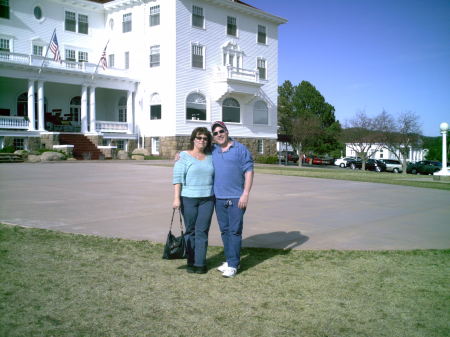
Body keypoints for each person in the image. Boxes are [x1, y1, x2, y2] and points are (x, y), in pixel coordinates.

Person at [211, 121, 254, 278]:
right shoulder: (213, 150)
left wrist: (246, 193)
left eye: (221, 131)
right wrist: (179, 155)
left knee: (235, 231)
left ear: (227, 131)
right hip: (219, 198)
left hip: (237, 198)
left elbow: (249, 172)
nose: (219, 135)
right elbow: (196, 151)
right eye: (215, 133)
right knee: (225, 231)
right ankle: (230, 260)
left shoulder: (240, 149)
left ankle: (234, 265)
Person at [172, 127, 214, 274]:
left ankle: (200, 263)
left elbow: (225, 143)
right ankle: (191, 261)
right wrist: (176, 198)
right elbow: (177, 178)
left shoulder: (211, 155)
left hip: (207, 199)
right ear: (193, 139)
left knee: (202, 231)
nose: (202, 140)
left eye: (205, 138)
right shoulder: (183, 156)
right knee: (190, 231)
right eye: (199, 137)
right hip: (188, 199)